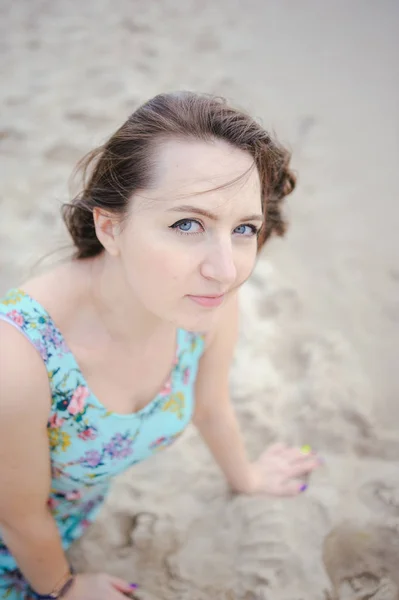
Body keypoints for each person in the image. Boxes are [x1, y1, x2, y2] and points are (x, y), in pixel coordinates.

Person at [0, 91, 321, 599]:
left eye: (243, 229)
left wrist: (248, 477)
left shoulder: (205, 298)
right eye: (187, 224)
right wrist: (63, 586)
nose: (226, 268)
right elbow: (16, 515)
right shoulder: (18, 359)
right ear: (110, 226)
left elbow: (210, 404)